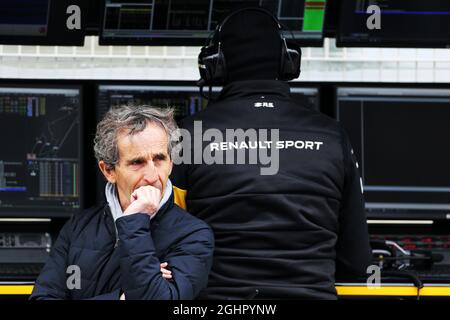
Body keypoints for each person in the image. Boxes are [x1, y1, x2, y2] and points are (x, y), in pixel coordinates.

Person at [171, 7, 372, 299]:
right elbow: (357, 263)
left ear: (215, 66)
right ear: (287, 62)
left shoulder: (187, 136)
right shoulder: (332, 136)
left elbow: (170, 244)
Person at [30, 105, 214, 300]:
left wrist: (134, 223)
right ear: (108, 171)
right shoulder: (78, 227)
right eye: (137, 162)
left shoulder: (193, 235)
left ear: (171, 162)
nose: (152, 176)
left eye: (159, 159)